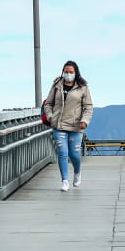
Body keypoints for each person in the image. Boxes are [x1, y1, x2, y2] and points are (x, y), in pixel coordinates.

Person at [42, 60, 94, 191]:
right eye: (66, 71)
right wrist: (50, 116)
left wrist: (85, 121)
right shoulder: (56, 85)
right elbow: (48, 103)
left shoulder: (83, 87)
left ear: (75, 73)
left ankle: (77, 172)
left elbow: (88, 107)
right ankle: (65, 180)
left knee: (74, 153)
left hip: (76, 126)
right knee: (62, 152)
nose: (68, 74)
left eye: (71, 72)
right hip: (58, 124)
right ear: (63, 72)